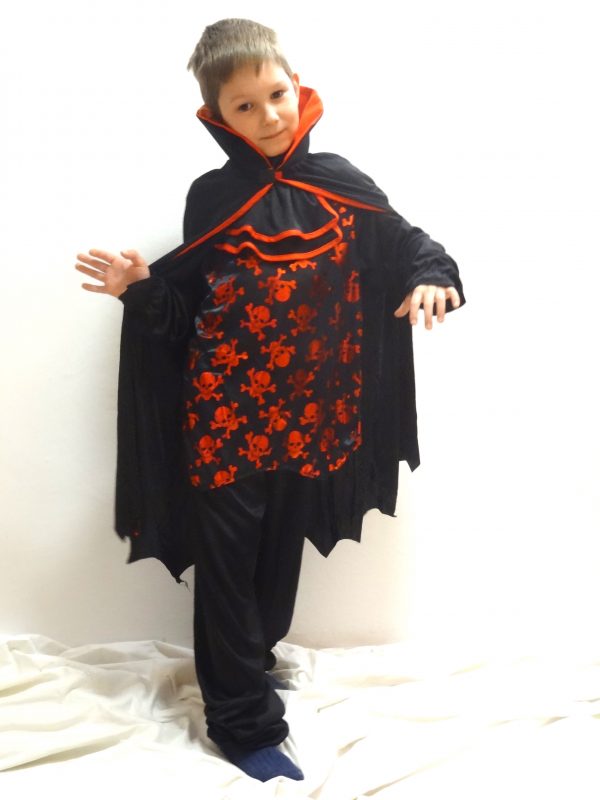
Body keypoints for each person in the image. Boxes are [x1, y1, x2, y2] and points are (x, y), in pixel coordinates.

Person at [75, 17, 464, 784]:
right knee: (227, 565)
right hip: (225, 413)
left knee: (279, 554)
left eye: (276, 94)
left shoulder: (342, 184)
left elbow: (410, 245)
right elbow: (186, 313)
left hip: (313, 415)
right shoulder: (213, 197)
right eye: (245, 106)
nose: (269, 115)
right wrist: (140, 289)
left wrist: (432, 276)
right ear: (219, 117)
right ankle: (241, 723)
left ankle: (251, 661)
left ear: (298, 87)